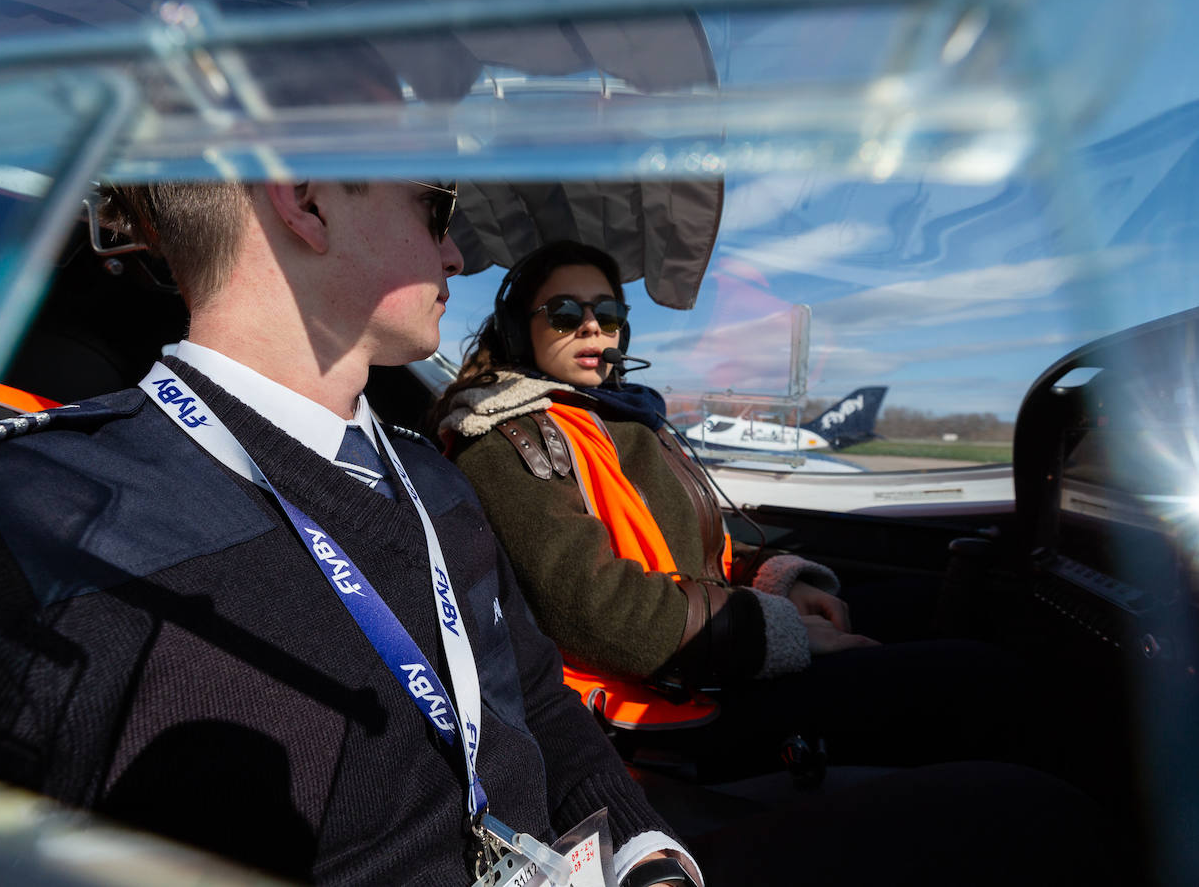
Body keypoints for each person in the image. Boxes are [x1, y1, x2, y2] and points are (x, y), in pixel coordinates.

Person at [0, 183, 701, 886]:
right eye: (434, 209)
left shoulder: (433, 478)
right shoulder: (16, 527)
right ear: (306, 202)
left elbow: (539, 703)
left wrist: (645, 852)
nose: (457, 255)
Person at [435, 240, 1050, 778]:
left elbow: (694, 552)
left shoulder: (619, 421)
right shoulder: (508, 438)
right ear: (520, 329)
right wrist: (778, 630)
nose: (595, 329)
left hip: (706, 647)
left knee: (944, 605)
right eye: (567, 314)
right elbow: (596, 615)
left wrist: (783, 579)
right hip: (657, 699)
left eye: (610, 313)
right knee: (982, 678)